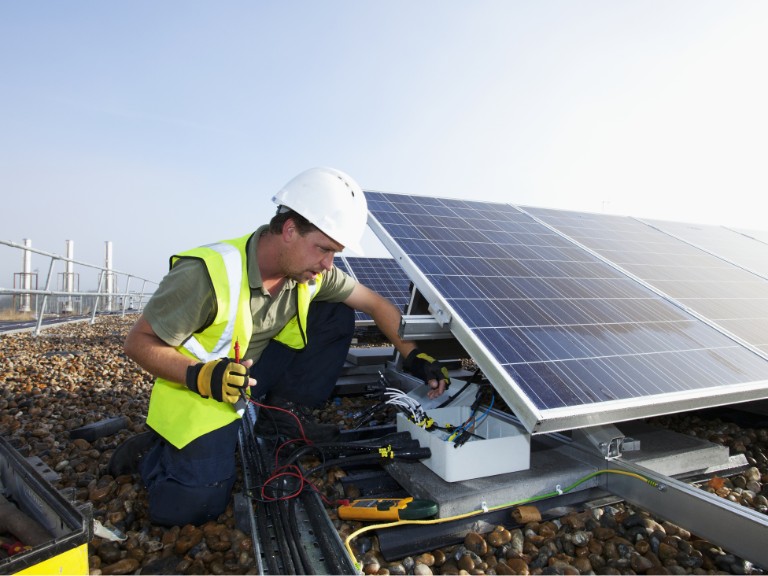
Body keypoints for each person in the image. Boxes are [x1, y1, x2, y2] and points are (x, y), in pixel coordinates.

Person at [111, 167, 450, 527]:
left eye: (333, 253)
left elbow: (376, 304)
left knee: (337, 309)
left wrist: (413, 354)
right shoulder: (206, 274)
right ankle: (156, 451)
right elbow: (138, 343)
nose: (327, 265)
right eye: (323, 249)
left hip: (251, 374)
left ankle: (279, 417)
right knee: (194, 508)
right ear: (289, 230)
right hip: (202, 391)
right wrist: (200, 375)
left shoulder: (310, 274)